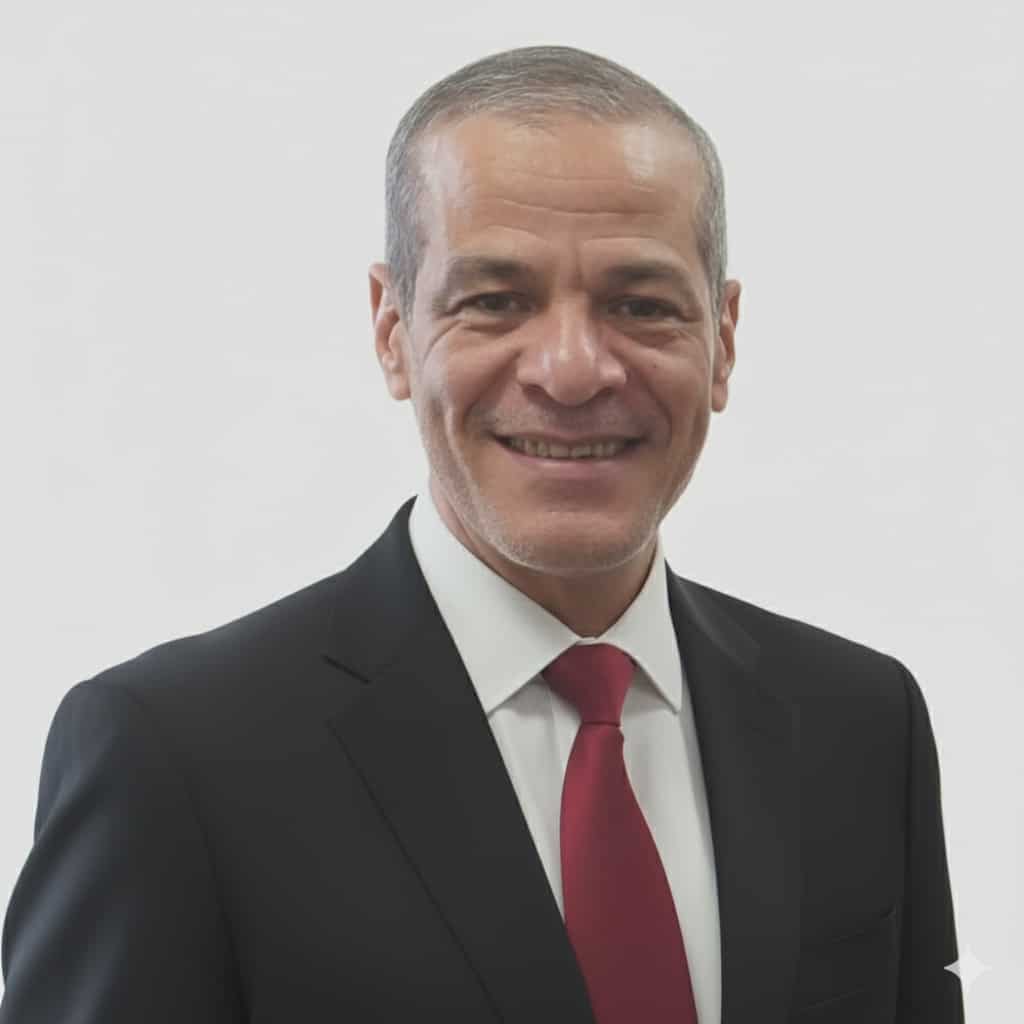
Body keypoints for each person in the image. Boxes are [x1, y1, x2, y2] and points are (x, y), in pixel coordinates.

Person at [0, 44, 964, 1023]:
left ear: (723, 339)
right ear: (392, 331)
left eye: (640, 305)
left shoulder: (858, 724)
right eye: (496, 302)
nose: (572, 370)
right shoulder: (175, 757)